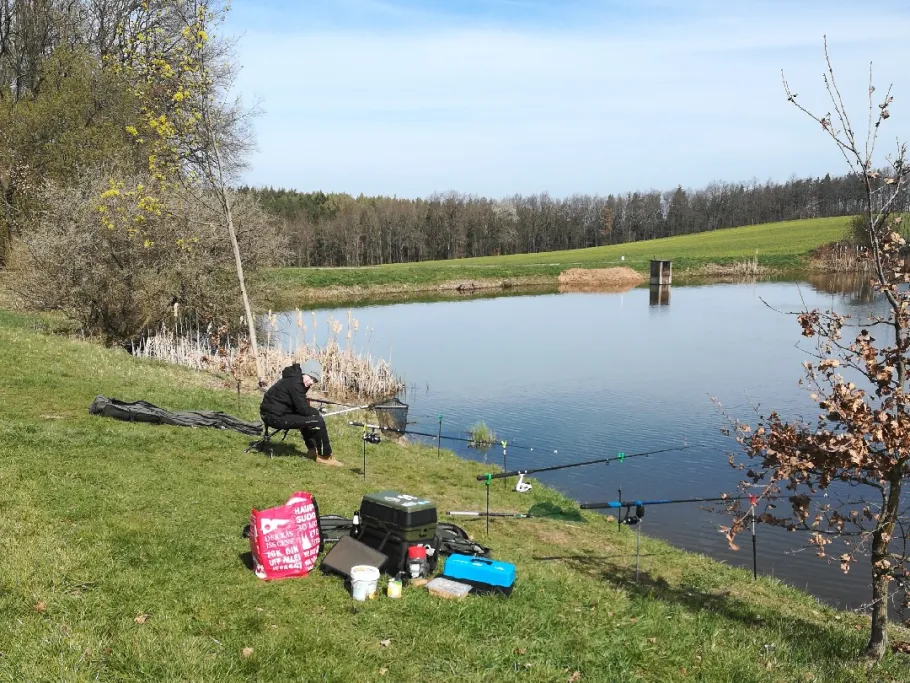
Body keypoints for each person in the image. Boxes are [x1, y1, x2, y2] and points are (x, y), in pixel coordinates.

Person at [259, 359, 343, 467]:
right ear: (305, 372)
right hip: (274, 417)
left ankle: (312, 450)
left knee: (307, 419)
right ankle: (325, 456)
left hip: (272, 413)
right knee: (318, 421)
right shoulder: (296, 383)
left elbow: (300, 407)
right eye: (311, 378)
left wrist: (311, 412)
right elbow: (303, 409)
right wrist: (317, 413)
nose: (311, 382)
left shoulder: (294, 378)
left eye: (314, 381)